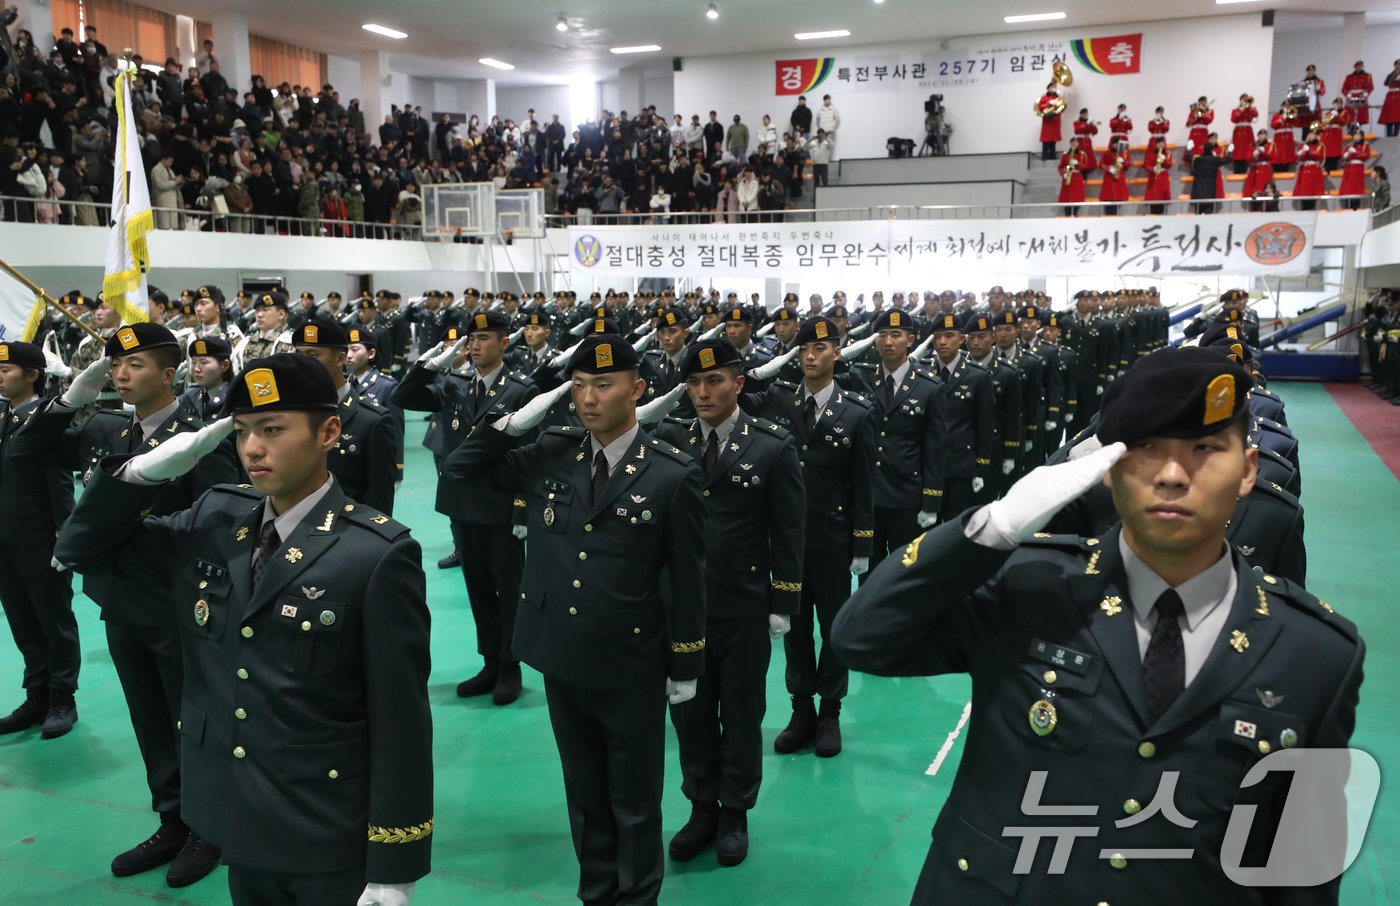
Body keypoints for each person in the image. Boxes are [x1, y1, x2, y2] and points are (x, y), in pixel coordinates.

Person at [832, 346, 1363, 905]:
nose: (1173, 475)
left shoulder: (1316, 656)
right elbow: (861, 639)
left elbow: (1299, 873)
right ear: (1107, 469)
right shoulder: (1031, 588)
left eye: (1206, 449)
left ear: (1249, 470)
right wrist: (993, 527)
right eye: (1146, 449)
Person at [54, 353, 433, 906]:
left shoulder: (375, 554)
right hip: (232, 814)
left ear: (329, 431)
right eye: (242, 431)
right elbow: (81, 549)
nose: (254, 448)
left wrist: (394, 864)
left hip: (324, 825)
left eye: (273, 430)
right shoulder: (215, 520)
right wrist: (140, 475)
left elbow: (401, 721)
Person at [442, 334, 706, 906]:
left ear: (636, 389)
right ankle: (597, 893)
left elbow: (687, 580)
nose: (588, 399)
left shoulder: (671, 473)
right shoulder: (550, 453)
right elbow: (459, 471)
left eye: (603, 385)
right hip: (560, 654)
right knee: (584, 794)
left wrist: (685, 662)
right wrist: (508, 425)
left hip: (630, 660)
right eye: (579, 386)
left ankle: (637, 896)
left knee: (633, 800)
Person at [13, 323, 240, 888]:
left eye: (135, 365)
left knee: (191, 718)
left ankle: (207, 829)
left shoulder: (197, 439)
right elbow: (25, 453)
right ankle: (170, 819)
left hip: (177, 605)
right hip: (120, 602)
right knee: (147, 716)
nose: (120, 373)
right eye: (114, 365)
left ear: (169, 374)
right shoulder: (111, 430)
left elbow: (218, 524)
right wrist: (70, 398)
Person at [650, 338, 805, 868]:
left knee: (741, 711)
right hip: (682, 608)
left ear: (738, 383)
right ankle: (702, 805)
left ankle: (735, 808)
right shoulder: (670, 440)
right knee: (689, 711)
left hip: (742, 604)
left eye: (714, 381)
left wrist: (782, 600)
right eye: (693, 383)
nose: (702, 392)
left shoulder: (771, 446)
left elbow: (788, 531)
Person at [737, 316, 874, 757]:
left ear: (838, 352)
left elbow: (863, 486)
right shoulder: (777, 402)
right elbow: (740, 393)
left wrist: (862, 544)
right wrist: (763, 368)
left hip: (832, 540)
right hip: (785, 541)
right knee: (791, 627)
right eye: (803, 350)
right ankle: (800, 709)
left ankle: (829, 711)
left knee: (833, 626)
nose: (810, 356)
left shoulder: (857, 412)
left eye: (820, 349)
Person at [392, 310, 538, 704]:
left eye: (483, 338)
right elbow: (402, 397)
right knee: (477, 589)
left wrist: (523, 511)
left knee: (507, 590)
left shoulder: (519, 390)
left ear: (505, 342)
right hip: (463, 506)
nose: (474, 346)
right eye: (470, 340)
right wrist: (432, 364)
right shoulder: (453, 384)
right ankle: (489, 662)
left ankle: (511, 665)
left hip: (502, 507)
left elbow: (530, 456)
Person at [0, 341, 78, 740]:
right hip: (5, 538)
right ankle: (37, 695)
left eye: (7, 369)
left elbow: (60, 482)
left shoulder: (47, 419)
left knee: (54, 620)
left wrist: (64, 538)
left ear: (32, 375)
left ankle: (63, 697)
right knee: (22, 620)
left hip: (38, 536)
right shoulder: (1, 415)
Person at [293, 320, 402, 515]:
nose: (303, 363)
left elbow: (379, 506)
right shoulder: (290, 414)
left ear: (340, 358)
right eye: (299, 354)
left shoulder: (372, 421)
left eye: (313, 355)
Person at [179, 336, 234, 421]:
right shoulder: (190, 396)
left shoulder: (234, 398)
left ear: (225, 365)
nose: (197, 369)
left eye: (203, 362)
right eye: (193, 363)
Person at [1188, 141, 1227, 215]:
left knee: (1198, 218)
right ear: (1212, 150)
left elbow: (1188, 157)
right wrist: (1230, 152)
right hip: (1210, 193)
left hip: (1198, 193)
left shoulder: (1197, 160)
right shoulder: (1215, 160)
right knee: (1208, 218)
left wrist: (1189, 150)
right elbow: (1227, 160)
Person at [1293, 130, 1326, 211]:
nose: (1310, 136)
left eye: (1312, 134)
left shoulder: (1320, 145)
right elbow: (1297, 157)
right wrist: (1300, 153)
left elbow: (1319, 155)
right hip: (1303, 170)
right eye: (1309, 134)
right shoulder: (1303, 146)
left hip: (1314, 170)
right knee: (1303, 193)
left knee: (1312, 193)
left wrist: (1309, 151)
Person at [1338, 133, 1371, 210]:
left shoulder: (1365, 146)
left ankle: (1355, 206)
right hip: (1349, 169)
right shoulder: (1349, 146)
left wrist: (1356, 152)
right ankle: (1347, 206)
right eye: (1355, 135)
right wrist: (1345, 155)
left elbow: (1366, 156)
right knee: (1347, 190)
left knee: (1356, 189)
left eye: (1358, 136)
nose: (1355, 137)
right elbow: (1342, 157)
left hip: (1357, 169)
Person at [1143, 136, 1173, 216]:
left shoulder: (1168, 154)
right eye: (1159, 143)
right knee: (1153, 199)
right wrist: (1153, 168)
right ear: (1155, 144)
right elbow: (1146, 165)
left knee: (1162, 200)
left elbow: (1169, 165)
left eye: (1163, 143)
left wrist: (1165, 160)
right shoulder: (1150, 154)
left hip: (1163, 178)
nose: (1161, 145)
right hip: (1153, 178)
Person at [1229, 94, 1258, 174]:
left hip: (1248, 133)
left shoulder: (1251, 109)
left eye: (1246, 99)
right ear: (1240, 101)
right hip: (1238, 133)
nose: (1245, 101)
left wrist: (1249, 106)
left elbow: (1256, 114)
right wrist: (1242, 109)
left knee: (1248, 153)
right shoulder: (1236, 110)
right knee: (1238, 154)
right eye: (1243, 100)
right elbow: (1234, 119)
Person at [1036, 84, 1064, 161]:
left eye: (1054, 87)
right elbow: (1040, 107)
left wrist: (1063, 101)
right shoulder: (1044, 98)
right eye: (1052, 87)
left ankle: (1052, 156)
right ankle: (1044, 156)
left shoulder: (1058, 98)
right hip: (1047, 122)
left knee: (1053, 140)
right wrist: (1049, 103)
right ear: (1048, 89)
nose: (1053, 89)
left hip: (1055, 121)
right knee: (1046, 140)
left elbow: (1062, 108)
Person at [1342, 60, 1375, 126]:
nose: (1359, 68)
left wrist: (1366, 93)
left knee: (1360, 117)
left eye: (1361, 66)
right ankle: (1350, 133)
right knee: (1350, 116)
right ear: (1355, 67)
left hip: (1361, 96)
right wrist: (1347, 94)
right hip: (1352, 96)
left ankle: (1358, 133)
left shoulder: (1367, 76)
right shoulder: (1349, 77)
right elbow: (1344, 88)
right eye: (1358, 66)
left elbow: (1371, 87)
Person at [1058, 146, 1087, 216]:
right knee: (1066, 200)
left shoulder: (1082, 155)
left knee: (1077, 200)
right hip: (1068, 176)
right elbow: (1061, 167)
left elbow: (1085, 166)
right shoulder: (1065, 155)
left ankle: (1075, 214)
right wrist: (1064, 173)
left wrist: (1078, 163)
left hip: (1077, 178)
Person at [1270, 104, 1299, 172]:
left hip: (1288, 139)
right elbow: (1273, 125)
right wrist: (1283, 118)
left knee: (1288, 158)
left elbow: (1297, 123)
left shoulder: (1291, 116)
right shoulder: (1276, 116)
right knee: (1278, 155)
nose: (1286, 108)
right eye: (1285, 106)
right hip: (1279, 138)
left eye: (1287, 106)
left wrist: (1292, 116)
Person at [1185, 97, 1213, 162]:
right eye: (1201, 102)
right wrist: (1195, 116)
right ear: (1199, 103)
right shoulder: (1194, 111)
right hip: (1194, 133)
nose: (1203, 103)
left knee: (1203, 150)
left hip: (1203, 133)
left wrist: (1204, 113)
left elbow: (1209, 120)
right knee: (1193, 151)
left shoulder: (1209, 111)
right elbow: (1188, 124)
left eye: (1205, 102)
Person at [816, 94, 840, 158]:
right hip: (822, 132)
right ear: (824, 101)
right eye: (826, 99)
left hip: (831, 131)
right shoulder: (820, 110)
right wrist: (820, 128)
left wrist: (834, 127)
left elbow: (838, 119)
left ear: (830, 100)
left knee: (830, 146)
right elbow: (817, 120)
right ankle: (823, 161)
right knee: (822, 147)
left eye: (828, 99)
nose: (827, 101)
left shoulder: (834, 109)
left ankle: (830, 161)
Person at [1382, 59, 1400, 137]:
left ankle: (1395, 135)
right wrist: (1393, 75)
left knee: (1398, 117)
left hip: (1398, 96)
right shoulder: (1391, 74)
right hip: (1390, 96)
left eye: (1399, 65)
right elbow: (1386, 83)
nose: (1398, 66)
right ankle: (1388, 134)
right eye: (1396, 64)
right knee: (1388, 117)